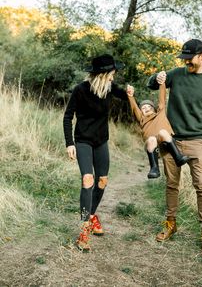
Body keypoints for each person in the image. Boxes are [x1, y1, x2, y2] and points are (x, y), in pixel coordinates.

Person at [147, 39, 202, 258]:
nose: (186, 62)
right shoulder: (176, 74)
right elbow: (151, 84)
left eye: (189, 58)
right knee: (172, 184)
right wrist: (157, 78)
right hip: (171, 140)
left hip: (198, 142)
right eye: (183, 58)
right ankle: (171, 224)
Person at [63, 54, 128, 251]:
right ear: (104, 73)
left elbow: (126, 96)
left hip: (101, 141)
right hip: (82, 140)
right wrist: (70, 143)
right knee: (88, 180)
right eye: (112, 73)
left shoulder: (110, 89)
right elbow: (68, 117)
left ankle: (91, 215)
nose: (114, 77)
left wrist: (132, 93)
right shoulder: (80, 90)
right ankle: (83, 229)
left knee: (102, 181)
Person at [126, 83, 189, 179]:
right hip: (152, 145)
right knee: (151, 139)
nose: (146, 108)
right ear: (141, 112)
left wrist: (162, 84)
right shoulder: (142, 119)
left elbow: (162, 99)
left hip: (165, 142)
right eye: (143, 108)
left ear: (154, 109)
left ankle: (178, 157)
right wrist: (130, 96)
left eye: (149, 107)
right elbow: (134, 108)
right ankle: (154, 168)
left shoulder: (160, 113)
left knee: (163, 132)